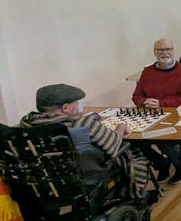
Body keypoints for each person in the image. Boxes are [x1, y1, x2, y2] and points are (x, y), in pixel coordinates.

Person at [21, 84, 153, 199]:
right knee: (134, 156)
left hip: (47, 178)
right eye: (77, 103)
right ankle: (137, 193)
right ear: (66, 108)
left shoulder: (27, 124)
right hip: (86, 174)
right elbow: (113, 144)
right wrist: (121, 127)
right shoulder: (83, 124)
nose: (80, 105)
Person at [132, 39, 181, 183]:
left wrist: (162, 104)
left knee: (163, 139)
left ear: (174, 51)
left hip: (176, 115)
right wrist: (144, 102)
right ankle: (161, 164)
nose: (165, 53)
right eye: (160, 50)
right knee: (134, 141)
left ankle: (180, 165)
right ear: (155, 53)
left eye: (168, 49)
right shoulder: (147, 72)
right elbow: (136, 96)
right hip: (152, 115)